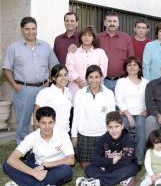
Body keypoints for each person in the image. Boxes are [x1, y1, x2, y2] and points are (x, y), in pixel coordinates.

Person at [2, 16, 59, 144]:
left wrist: (49, 82)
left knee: (44, 120)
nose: (31, 32)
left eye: (33, 28)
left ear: (37, 29)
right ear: (22, 30)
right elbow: (6, 69)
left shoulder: (45, 46)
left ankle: (43, 146)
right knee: (23, 122)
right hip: (23, 90)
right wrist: (15, 86)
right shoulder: (14, 47)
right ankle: (23, 150)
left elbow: (54, 66)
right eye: (27, 29)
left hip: (43, 89)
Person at [3, 107, 74, 186]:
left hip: (56, 168)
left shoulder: (62, 134)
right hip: (36, 167)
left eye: (50, 122)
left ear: (54, 122)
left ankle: (23, 185)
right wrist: (34, 173)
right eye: (43, 123)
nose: (47, 127)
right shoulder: (32, 137)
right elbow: (12, 159)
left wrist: (46, 165)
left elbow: (71, 160)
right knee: (7, 164)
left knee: (66, 171)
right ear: (37, 122)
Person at [75, 111, 139, 186]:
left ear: (122, 126)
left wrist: (107, 167)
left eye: (117, 126)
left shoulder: (129, 139)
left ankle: (97, 182)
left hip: (121, 167)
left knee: (132, 169)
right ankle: (120, 179)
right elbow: (95, 160)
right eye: (110, 127)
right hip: (110, 167)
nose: (114, 130)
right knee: (88, 169)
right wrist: (111, 160)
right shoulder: (102, 139)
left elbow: (126, 161)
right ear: (107, 127)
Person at [71, 65, 116, 168]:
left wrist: (112, 135)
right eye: (91, 77)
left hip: (103, 134)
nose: (94, 80)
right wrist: (74, 135)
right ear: (87, 78)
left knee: (105, 165)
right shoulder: (80, 94)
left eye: (97, 77)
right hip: (85, 134)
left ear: (101, 78)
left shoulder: (108, 93)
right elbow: (76, 115)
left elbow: (112, 117)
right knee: (85, 167)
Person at [115, 56, 149, 166]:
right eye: (129, 65)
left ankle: (139, 159)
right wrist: (129, 116)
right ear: (126, 68)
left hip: (140, 114)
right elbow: (119, 100)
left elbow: (150, 99)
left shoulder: (146, 82)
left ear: (139, 68)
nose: (132, 67)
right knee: (122, 127)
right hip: (125, 114)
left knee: (140, 126)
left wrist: (147, 110)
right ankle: (123, 158)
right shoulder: (121, 82)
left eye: (135, 65)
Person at [66, 25, 108, 98]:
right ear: (81, 37)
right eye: (84, 35)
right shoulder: (73, 52)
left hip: (96, 90)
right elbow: (69, 69)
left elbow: (103, 71)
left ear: (93, 38)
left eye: (90, 35)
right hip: (76, 89)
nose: (87, 37)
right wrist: (80, 82)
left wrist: (91, 84)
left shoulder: (100, 52)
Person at [98, 11, 135, 92]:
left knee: (121, 105)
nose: (112, 23)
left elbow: (131, 60)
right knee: (104, 104)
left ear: (118, 23)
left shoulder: (126, 38)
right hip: (101, 81)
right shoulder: (97, 38)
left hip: (121, 81)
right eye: (109, 21)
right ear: (105, 23)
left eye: (114, 21)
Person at [34, 65, 72, 133]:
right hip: (50, 133)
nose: (64, 78)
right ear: (54, 78)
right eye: (60, 75)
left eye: (65, 75)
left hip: (66, 133)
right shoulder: (45, 92)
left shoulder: (68, 92)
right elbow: (36, 115)